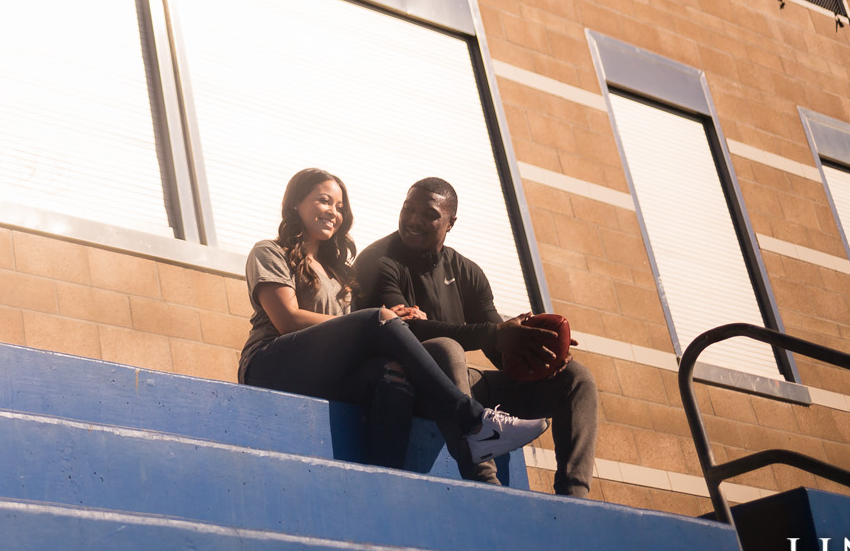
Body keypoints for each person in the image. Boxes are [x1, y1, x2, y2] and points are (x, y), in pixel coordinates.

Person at [238, 167, 547, 474]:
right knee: (377, 320)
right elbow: (288, 320)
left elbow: (350, 332)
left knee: (393, 373)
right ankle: (475, 421)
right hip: (270, 365)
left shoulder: (339, 273)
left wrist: (395, 319)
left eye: (339, 207)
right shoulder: (269, 251)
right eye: (324, 201)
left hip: (319, 371)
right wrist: (373, 320)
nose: (333, 212)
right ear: (295, 203)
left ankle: (387, 482)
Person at [354, 177, 600, 497]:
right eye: (407, 208)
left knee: (577, 376)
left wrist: (538, 351)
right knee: (445, 347)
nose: (413, 219)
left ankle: (575, 496)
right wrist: (494, 335)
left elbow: (500, 350)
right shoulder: (378, 261)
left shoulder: (467, 272)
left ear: (450, 223)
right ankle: (483, 478)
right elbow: (402, 331)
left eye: (428, 214)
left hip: (462, 386)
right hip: (408, 387)